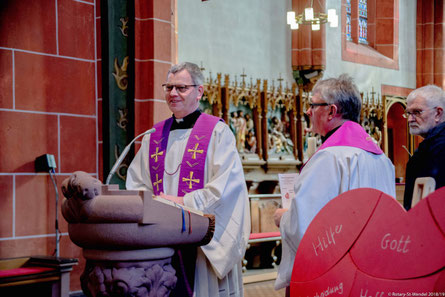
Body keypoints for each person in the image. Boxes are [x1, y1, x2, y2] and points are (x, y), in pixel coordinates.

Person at [126, 62, 250, 297]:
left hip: (200, 242)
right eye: (169, 87)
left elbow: (226, 188)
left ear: (199, 91)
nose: (173, 94)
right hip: (161, 238)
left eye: (181, 88)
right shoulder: (154, 135)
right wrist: (153, 204)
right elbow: (137, 182)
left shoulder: (217, 132)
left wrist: (184, 202)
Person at [273, 74, 395, 292]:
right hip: (371, 271)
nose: (308, 111)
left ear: (331, 110)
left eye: (313, 105)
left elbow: (306, 227)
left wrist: (283, 219)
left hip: (334, 279)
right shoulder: (381, 158)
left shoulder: (330, 157)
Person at [403, 85, 445, 210]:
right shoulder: (431, 144)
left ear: (438, 113)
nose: (410, 119)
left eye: (417, 112)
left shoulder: (439, 147)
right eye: (408, 113)